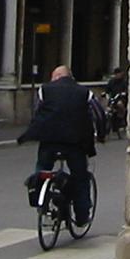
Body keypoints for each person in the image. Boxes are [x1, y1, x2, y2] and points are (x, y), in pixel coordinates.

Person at [17, 65, 96, 224]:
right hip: (75, 143)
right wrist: (98, 136)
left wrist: (27, 135)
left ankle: (41, 198)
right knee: (80, 177)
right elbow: (96, 114)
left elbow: (39, 114)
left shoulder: (44, 90)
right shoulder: (84, 92)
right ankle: (82, 215)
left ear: (58, 76)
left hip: (49, 141)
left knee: (42, 168)